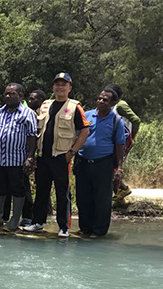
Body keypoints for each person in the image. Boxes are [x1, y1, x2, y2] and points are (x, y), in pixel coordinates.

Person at [25, 73, 90, 238]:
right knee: (41, 191)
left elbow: (84, 131)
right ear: (53, 86)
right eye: (57, 84)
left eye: (63, 84)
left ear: (70, 88)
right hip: (43, 157)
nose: (60, 87)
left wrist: (72, 152)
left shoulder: (75, 107)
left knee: (62, 193)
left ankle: (64, 227)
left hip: (62, 157)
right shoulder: (46, 105)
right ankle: (37, 222)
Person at [0, 83, 37, 231]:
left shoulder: (27, 113)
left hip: (17, 160)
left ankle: (14, 220)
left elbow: (32, 136)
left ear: (20, 96)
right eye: (6, 93)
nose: (8, 96)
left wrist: (30, 157)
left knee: (18, 190)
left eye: (12, 94)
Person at [76, 88, 126, 237]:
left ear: (113, 103)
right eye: (99, 98)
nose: (101, 101)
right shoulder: (87, 115)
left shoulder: (117, 120)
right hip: (83, 162)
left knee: (102, 199)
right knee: (83, 197)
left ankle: (99, 231)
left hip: (103, 164)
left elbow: (119, 145)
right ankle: (85, 229)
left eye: (105, 100)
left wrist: (119, 168)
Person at [3, 88, 47, 225]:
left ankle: (27, 216)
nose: (30, 101)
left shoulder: (34, 114)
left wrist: (30, 156)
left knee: (23, 187)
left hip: (24, 156)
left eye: (33, 99)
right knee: (7, 186)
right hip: (6, 157)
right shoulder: (4, 111)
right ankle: (4, 216)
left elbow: (33, 136)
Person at [106, 84, 141, 199]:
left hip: (121, 142)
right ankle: (118, 195)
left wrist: (131, 138)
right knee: (112, 167)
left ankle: (123, 190)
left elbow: (135, 120)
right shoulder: (110, 107)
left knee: (115, 168)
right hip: (112, 142)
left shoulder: (120, 105)